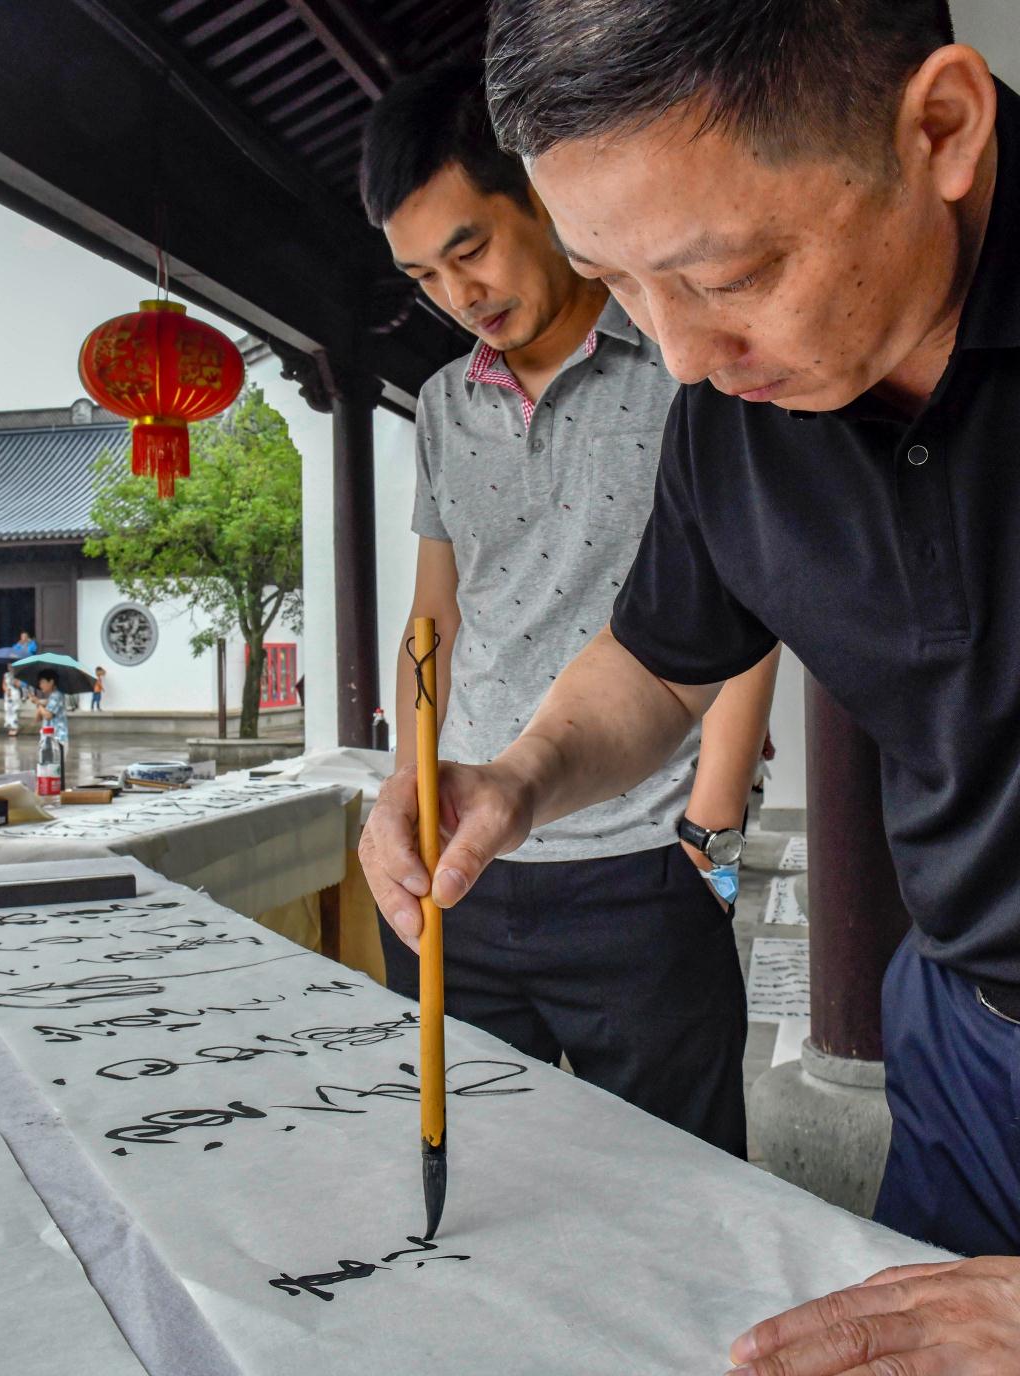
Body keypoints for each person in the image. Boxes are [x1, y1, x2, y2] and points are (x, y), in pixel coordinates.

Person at [374, 0, 1020, 1367]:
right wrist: (517, 780)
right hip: (966, 1033)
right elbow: (665, 660)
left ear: (942, 129)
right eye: (616, 278)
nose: (674, 354)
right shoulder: (729, 406)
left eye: (724, 272)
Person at [358, 64, 779, 1153]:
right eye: (425, 276)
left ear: (540, 199)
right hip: (465, 853)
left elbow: (741, 608)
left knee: (672, 1180)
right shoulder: (443, 404)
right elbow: (436, 617)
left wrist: (710, 827)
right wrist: (406, 786)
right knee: (480, 1170)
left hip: (642, 861)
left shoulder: (683, 363)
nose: (460, 294)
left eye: (470, 249)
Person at [29, 670, 68, 746]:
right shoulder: (51, 698)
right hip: (48, 739)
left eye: (43, 682)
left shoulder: (57, 696)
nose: (40, 685)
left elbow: (48, 716)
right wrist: (39, 703)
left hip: (57, 739)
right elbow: (38, 719)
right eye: (40, 683)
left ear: (51, 682)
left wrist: (38, 703)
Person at [3, 669, 20, 737]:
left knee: (14, 710)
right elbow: (3, 684)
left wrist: (14, 681)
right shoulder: (6, 675)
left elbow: (18, 685)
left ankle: (15, 727)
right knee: (8, 710)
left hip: (15, 693)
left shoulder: (17, 674)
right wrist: (6, 690)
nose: (9, 667)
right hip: (7, 693)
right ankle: (9, 727)